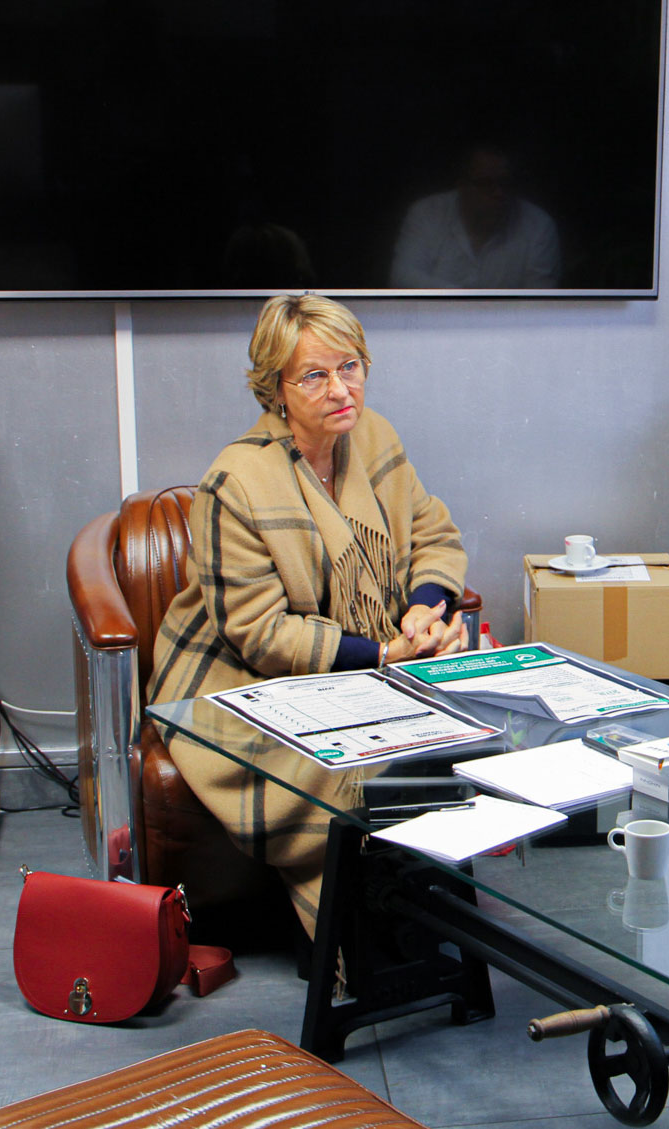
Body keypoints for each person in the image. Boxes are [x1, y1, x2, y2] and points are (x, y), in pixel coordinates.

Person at [149, 293, 471, 935]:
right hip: (239, 678)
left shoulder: (374, 435)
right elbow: (259, 633)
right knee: (354, 770)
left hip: (370, 660)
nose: (340, 389)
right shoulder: (235, 482)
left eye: (350, 367)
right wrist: (381, 656)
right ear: (275, 388)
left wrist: (425, 612)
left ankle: (424, 912)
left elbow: (434, 533)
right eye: (315, 375)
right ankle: (366, 933)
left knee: (465, 738)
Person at [390, 144, 562, 289]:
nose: (498, 193)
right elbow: (402, 277)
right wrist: (471, 303)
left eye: (504, 183)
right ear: (461, 185)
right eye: (486, 184)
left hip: (505, 329)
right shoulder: (427, 213)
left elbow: (539, 303)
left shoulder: (538, 227)